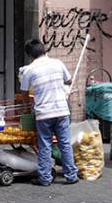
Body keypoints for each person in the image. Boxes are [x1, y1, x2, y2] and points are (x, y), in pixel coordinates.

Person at [20, 39, 78, 186]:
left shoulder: (29, 70)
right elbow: (69, 81)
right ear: (43, 50)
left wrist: (27, 107)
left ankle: (45, 178)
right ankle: (71, 175)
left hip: (44, 114)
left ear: (29, 55)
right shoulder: (57, 63)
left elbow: (24, 93)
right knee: (64, 143)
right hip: (61, 110)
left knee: (45, 145)